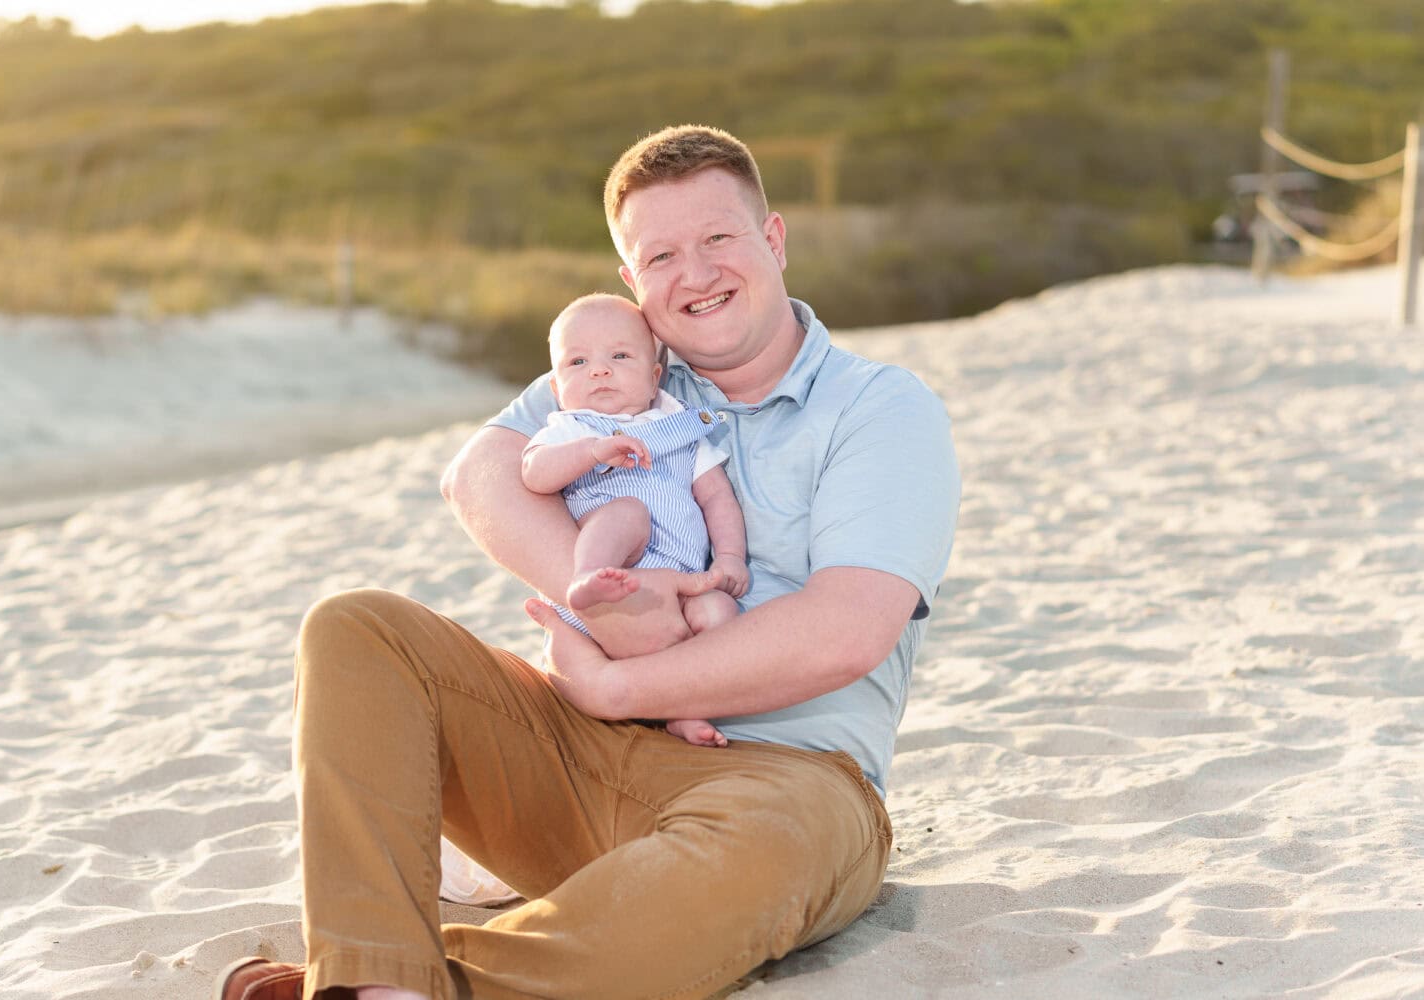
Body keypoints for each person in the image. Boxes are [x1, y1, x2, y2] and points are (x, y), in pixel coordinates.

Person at [215, 124, 959, 1000]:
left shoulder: (879, 407)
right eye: (661, 255)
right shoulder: (618, 369)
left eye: (719, 238)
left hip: (784, 781)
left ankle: (395, 985)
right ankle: (382, 975)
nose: (696, 273)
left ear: (775, 239)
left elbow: (847, 630)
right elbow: (479, 476)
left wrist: (622, 685)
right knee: (357, 629)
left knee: (740, 868)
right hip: (575, 758)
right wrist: (613, 601)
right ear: (631, 282)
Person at [524, 291, 747, 747]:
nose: (599, 370)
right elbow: (534, 474)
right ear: (555, 388)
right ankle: (587, 578)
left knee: (720, 613)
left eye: (619, 356)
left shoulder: (680, 428)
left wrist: (729, 558)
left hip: (682, 587)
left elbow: (717, 498)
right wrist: (591, 452)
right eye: (577, 362)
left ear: (654, 377)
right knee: (629, 511)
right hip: (609, 589)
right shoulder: (571, 428)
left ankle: (687, 710)